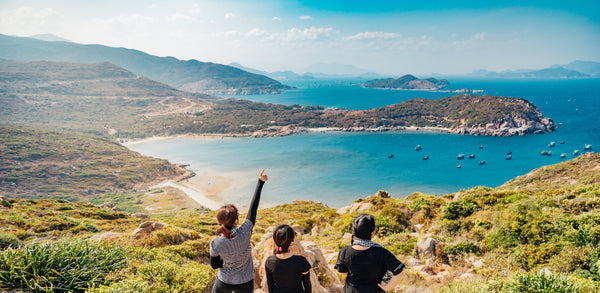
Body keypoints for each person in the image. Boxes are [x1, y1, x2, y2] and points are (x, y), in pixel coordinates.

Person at [210, 169, 269, 293]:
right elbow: (253, 209)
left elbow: (215, 265)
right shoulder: (245, 232)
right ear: (236, 222)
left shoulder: (215, 243)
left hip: (224, 281)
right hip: (245, 282)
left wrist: (227, 261)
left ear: (219, 222)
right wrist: (260, 183)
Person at [335, 213, 405, 293]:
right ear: (373, 232)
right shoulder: (382, 252)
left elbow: (342, 273)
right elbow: (399, 273)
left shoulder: (345, 251)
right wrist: (387, 287)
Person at [265, 224, 312, 293]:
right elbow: (307, 286)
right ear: (293, 239)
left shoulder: (269, 261)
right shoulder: (301, 261)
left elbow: (270, 287)